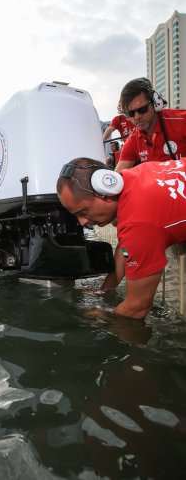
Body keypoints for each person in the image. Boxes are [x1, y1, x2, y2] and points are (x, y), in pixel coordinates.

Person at [56, 156, 186, 319]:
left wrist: (102, 315)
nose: (82, 222)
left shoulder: (137, 224)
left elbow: (138, 307)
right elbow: (126, 250)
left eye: (83, 212)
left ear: (105, 194)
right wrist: (104, 290)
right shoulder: (135, 174)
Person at [116, 77, 186, 172]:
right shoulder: (133, 140)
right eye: (130, 114)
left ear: (155, 103)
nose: (137, 117)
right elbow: (116, 178)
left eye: (142, 110)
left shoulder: (182, 121)